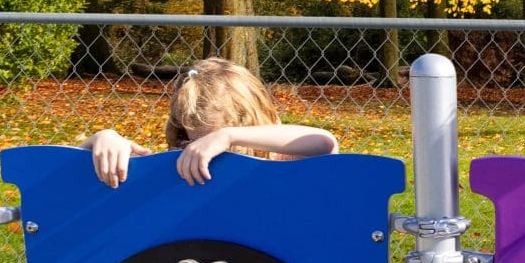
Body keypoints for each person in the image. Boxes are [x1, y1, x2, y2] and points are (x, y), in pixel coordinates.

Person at [82, 56, 338, 188]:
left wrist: (228, 136)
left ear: (250, 122)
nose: (204, 150)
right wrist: (102, 139)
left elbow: (324, 143)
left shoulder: (279, 157)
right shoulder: (183, 163)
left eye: (214, 139)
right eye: (195, 139)